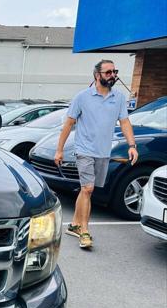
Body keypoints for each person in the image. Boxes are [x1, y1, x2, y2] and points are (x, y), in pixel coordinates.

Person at [54, 60, 138, 249]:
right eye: (108, 72)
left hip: (103, 152)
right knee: (88, 189)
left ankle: (74, 224)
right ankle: (84, 231)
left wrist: (132, 145)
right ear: (97, 75)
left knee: (86, 190)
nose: (112, 75)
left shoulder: (118, 97)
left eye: (114, 71)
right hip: (84, 150)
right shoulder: (82, 97)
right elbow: (68, 124)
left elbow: (124, 123)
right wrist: (59, 150)